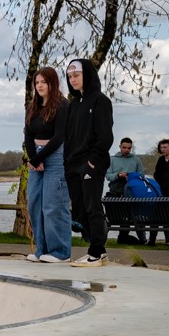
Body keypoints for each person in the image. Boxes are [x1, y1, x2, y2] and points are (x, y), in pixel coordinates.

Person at [62, 58, 113, 266]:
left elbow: (105, 137)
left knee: (93, 207)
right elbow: (69, 137)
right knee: (79, 210)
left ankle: (96, 252)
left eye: (76, 75)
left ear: (87, 75)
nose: (72, 80)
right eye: (69, 76)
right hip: (73, 165)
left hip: (91, 164)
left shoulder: (101, 101)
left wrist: (92, 161)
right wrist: (67, 162)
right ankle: (97, 248)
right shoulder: (74, 104)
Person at [22, 67, 71, 262]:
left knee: (53, 205)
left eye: (44, 82)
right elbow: (28, 134)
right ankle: (41, 250)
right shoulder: (32, 106)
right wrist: (33, 158)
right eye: (37, 82)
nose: (39, 86)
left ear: (53, 83)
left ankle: (60, 252)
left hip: (56, 157)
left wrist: (40, 158)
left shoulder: (63, 105)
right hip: (36, 157)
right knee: (34, 204)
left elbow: (60, 136)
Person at [106, 137, 145, 244]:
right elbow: (108, 176)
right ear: (120, 147)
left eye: (129, 148)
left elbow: (142, 175)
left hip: (131, 193)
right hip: (115, 192)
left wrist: (130, 176)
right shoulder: (112, 159)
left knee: (129, 217)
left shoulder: (136, 160)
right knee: (116, 216)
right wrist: (118, 175)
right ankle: (122, 237)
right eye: (124, 147)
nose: (126, 150)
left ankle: (124, 237)